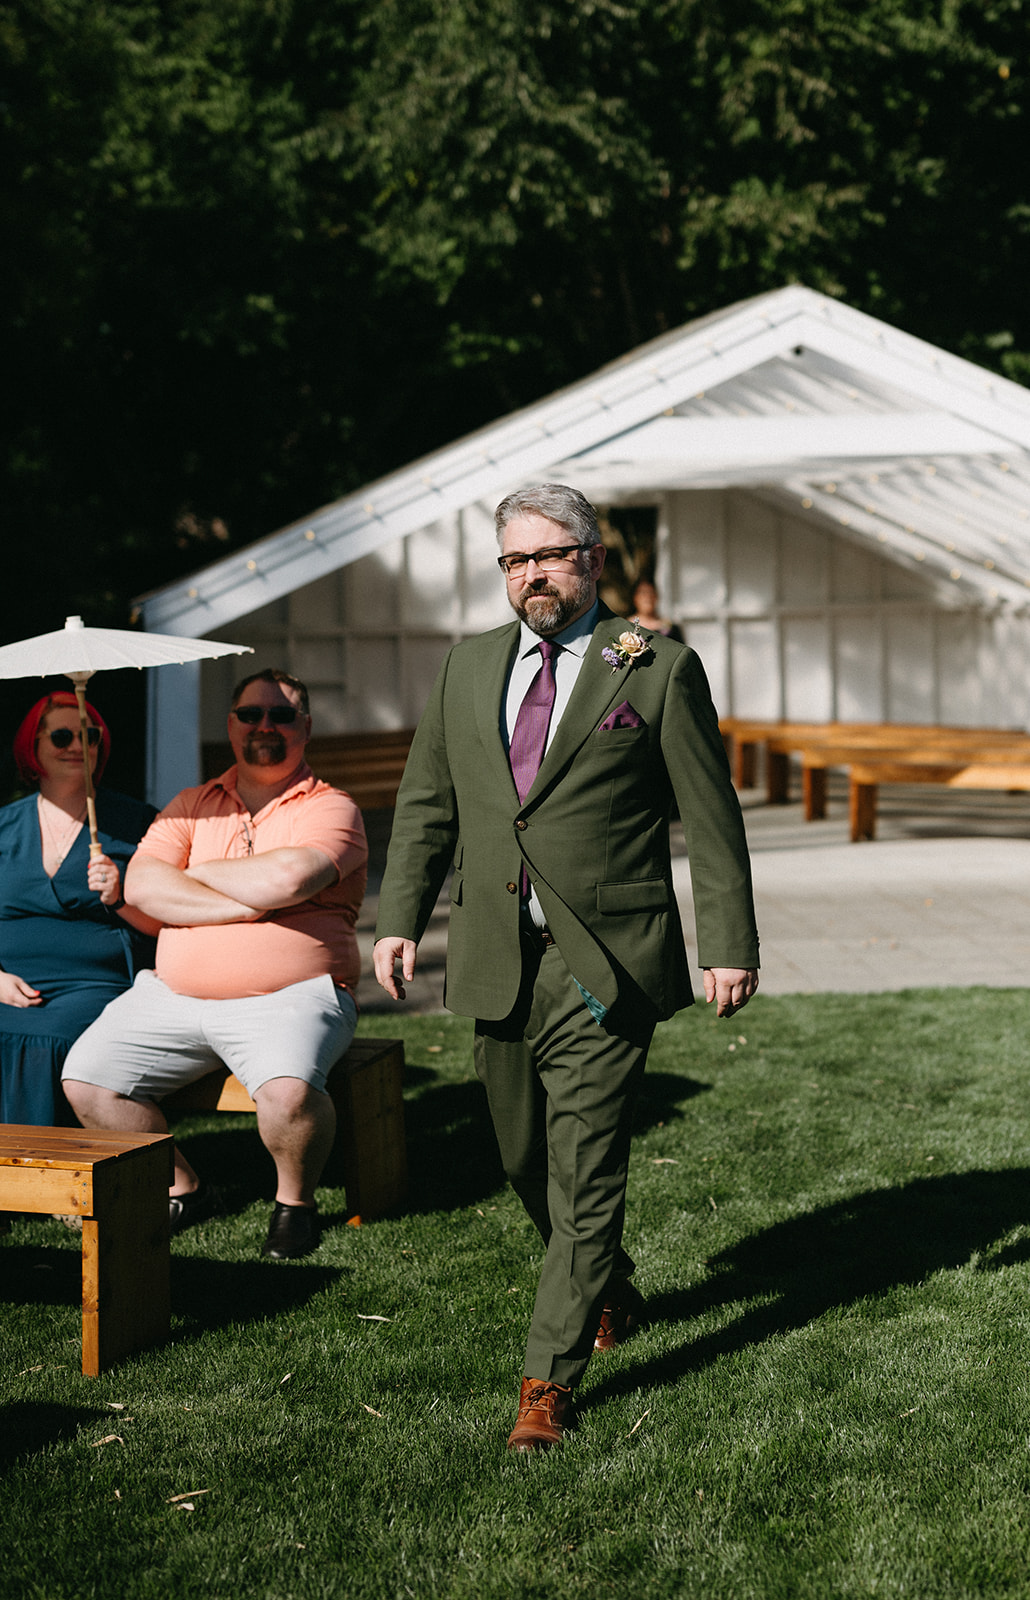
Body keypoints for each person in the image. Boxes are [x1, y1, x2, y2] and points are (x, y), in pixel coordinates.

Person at [374, 483, 759, 1453]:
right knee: (518, 1155)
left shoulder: (655, 667)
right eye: (514, 560)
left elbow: (708, 816)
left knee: (584, 1167)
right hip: (498, 956)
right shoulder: (467, 669)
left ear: (592, 558)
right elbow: (427, 805)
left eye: (549, 555)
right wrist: (397, 922)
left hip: (606, 960)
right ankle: (606, 1281)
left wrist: (727, 942)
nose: (531, 574)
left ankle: (547, 1381)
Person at [62, 669, 368, 1260]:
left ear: (304, 726)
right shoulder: (191, 805)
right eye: (250, 714)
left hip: (292, 995)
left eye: (281, 715)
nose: (264, 726)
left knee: (289, 1096)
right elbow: (145, 887)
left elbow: (290, 875)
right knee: (89, 1079)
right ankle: (185, 1188)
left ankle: (294, 1203)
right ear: (230, 725)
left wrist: (187, 879)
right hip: (173, 994)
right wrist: (254, 906)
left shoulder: (332, 807)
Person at [0, 691, 158, 1126]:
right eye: (62, 735)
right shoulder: (4, 827)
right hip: (10, 982)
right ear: (32, 747)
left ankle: (41, 1173)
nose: (77, 746)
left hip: (96, 985)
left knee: (42, 1040)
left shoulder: (137, 824)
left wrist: (120, 895)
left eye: (89, 736)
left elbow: (167, 922)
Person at [630, 578, 684, 644]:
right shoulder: (627, 627)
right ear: (635, 598)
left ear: (657, 596)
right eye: (643, 593)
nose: (647, 597)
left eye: (651, 592)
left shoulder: (670, 628)